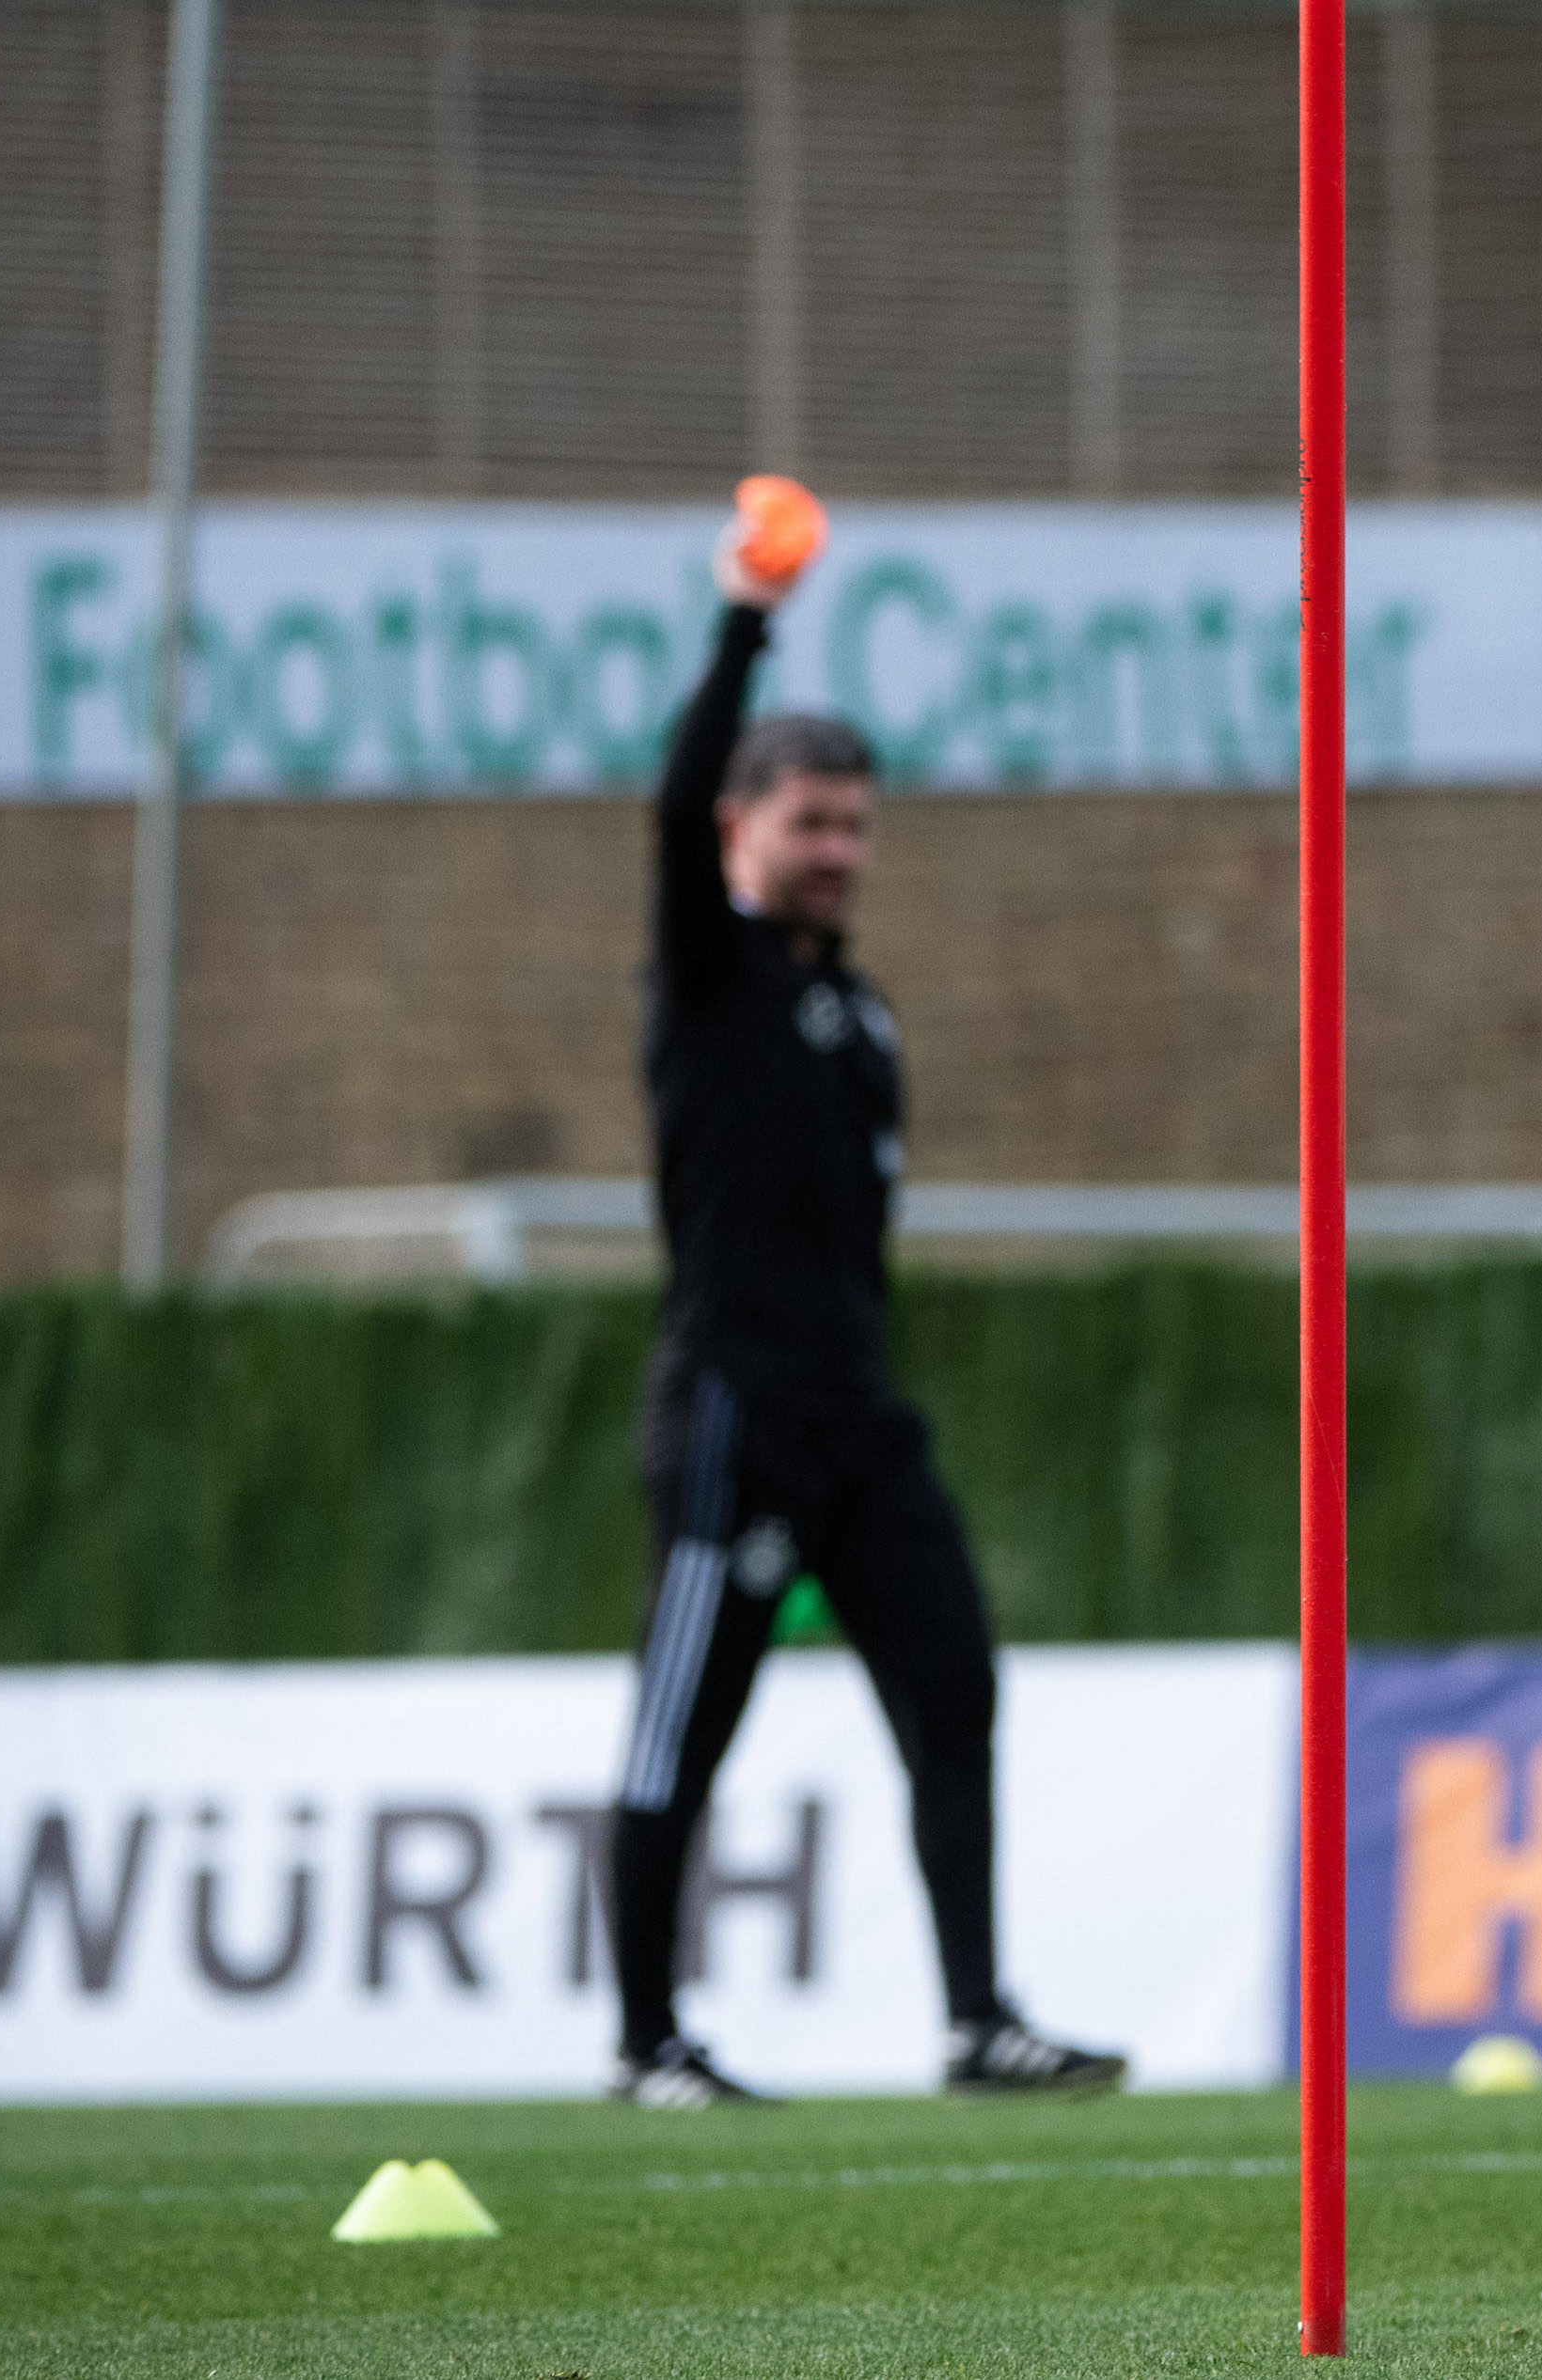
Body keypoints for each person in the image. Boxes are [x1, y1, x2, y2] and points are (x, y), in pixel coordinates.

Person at [603, 504, 1125, 2108]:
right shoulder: (709, 971)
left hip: (858, 1423)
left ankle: (978, 2022)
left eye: (853, 824)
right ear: (740, 831)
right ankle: (647, 2044)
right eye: (806, 821)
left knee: (955, 1688)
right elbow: (674, 797)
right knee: (679, 1738)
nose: (834, 848)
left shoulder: (856, 1003)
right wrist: (748, 618)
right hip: (733, 1421)